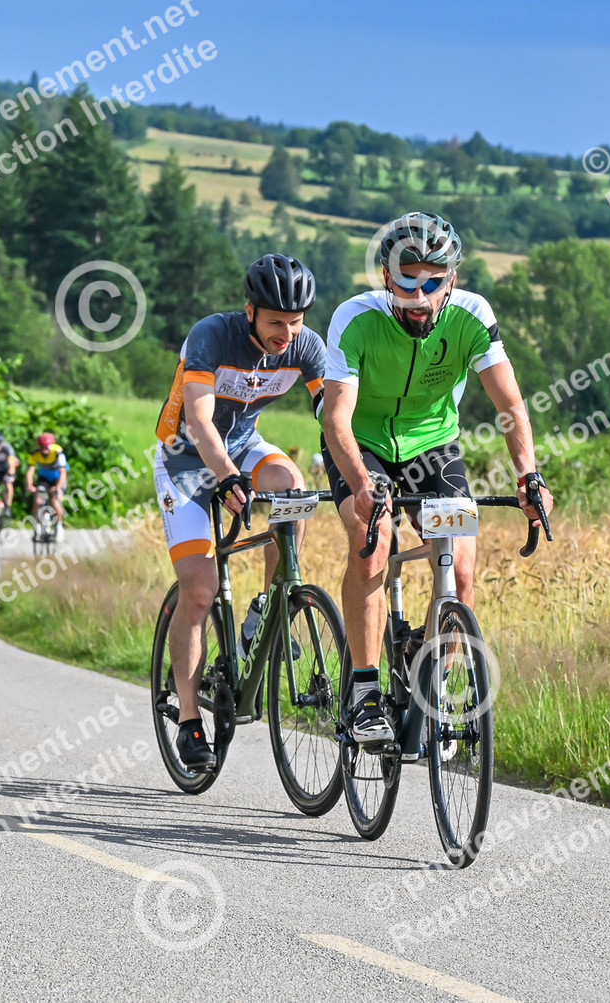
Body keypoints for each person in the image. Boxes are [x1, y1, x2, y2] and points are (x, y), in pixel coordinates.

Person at [320, 212, 552, 748]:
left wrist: (528, 474)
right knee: (372, 544)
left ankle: (432, 689)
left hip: (431, 447)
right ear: (386, 276)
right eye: (407, 282)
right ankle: (365, 692)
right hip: (362, 443)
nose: (419, 297)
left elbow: (509, 403)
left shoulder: (472, 315)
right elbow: (336, 419)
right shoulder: (354, 318)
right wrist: (361, 483)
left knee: (461, 573)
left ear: (453, 279)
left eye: (433, 283)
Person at [152, 253, 324, 773]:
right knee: (200, 589)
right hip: (184, 460)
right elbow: (200, 422)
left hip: (244, 446)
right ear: (249, 311)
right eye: (275, 323)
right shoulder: (212, 335)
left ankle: (267, 609)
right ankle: (188, 719)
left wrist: (357, 472)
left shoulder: (306, 347)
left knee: (292, 487)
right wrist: (226, 477)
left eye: (295, 322)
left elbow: (335, 415)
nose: (286, 334)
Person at [24, 432, 67, 534]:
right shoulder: (34, 454)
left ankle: (58, 525)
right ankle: (38, 525)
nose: (45, 450)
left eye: (47, 447)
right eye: (42, 447)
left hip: (57, 479)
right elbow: (30, 471)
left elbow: (63, 472)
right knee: (38, 500)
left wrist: (58, 487)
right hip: (44, 479)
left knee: (55, 501)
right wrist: (29, 485)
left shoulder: (58, 452)